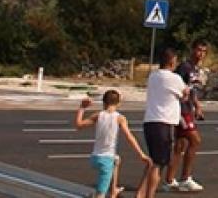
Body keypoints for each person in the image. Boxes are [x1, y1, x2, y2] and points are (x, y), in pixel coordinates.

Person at [75, 89, 151, 198]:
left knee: (117, 160)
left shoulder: (98, 115)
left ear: (103, 102)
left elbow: (79, 125)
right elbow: (130, 137)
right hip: (106, 160)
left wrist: (82, 108)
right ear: (119, 103)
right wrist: (141, 154)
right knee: (100, 194)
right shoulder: (120, 118)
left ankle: (113, 189)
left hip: (95, 157)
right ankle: (108, 193)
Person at [163, 39, 209, 192]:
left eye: (203, 51)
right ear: (192, 50)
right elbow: (176, 85)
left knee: (180, 145)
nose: (201, 54)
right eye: (198, 50)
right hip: (181, 110)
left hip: (187, 108)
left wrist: (197, 106)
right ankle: (185, 178)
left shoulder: (195, 69)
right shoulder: (184, 67)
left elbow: (191, 90)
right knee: (195, 140)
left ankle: (169, 180)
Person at [142, 48, 188, 198]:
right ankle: (149, 195)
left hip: (150, 121)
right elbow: (184, 94)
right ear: (172, 61)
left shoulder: (153, 76)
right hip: (164, 123)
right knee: (159, 163)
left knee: (154, 160)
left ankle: (141, 194)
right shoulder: (174, 78)